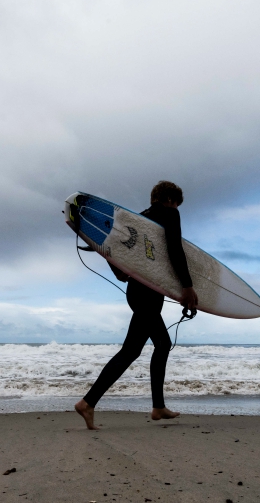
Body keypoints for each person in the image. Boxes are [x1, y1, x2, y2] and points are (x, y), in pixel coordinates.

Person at [75, 180, 198, 430]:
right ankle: (88, 402)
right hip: (148, 293)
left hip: (136, 289)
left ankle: (158, 407)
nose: (176, 207)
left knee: (163, 344)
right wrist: (187, 286)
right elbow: (175, 249)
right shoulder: (169, 214)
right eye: (176, 203)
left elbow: (116, 260)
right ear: (170, 200)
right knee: (131, 350)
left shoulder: (137, 222)